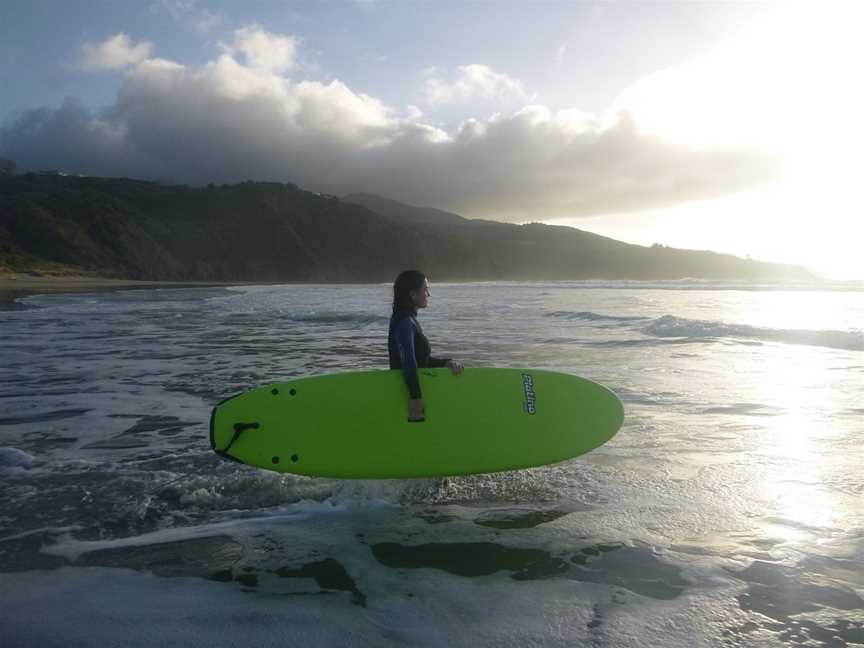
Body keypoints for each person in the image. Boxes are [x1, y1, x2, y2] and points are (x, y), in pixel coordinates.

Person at [388, 270, 464, 422]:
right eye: (425, 289)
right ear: (413, 294)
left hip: (407, 387)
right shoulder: (405, 322)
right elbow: (408, 360)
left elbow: (421, 360)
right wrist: (416, 398)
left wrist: (445, 363)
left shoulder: (407, 319)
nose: (428, 294)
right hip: (406, 393)